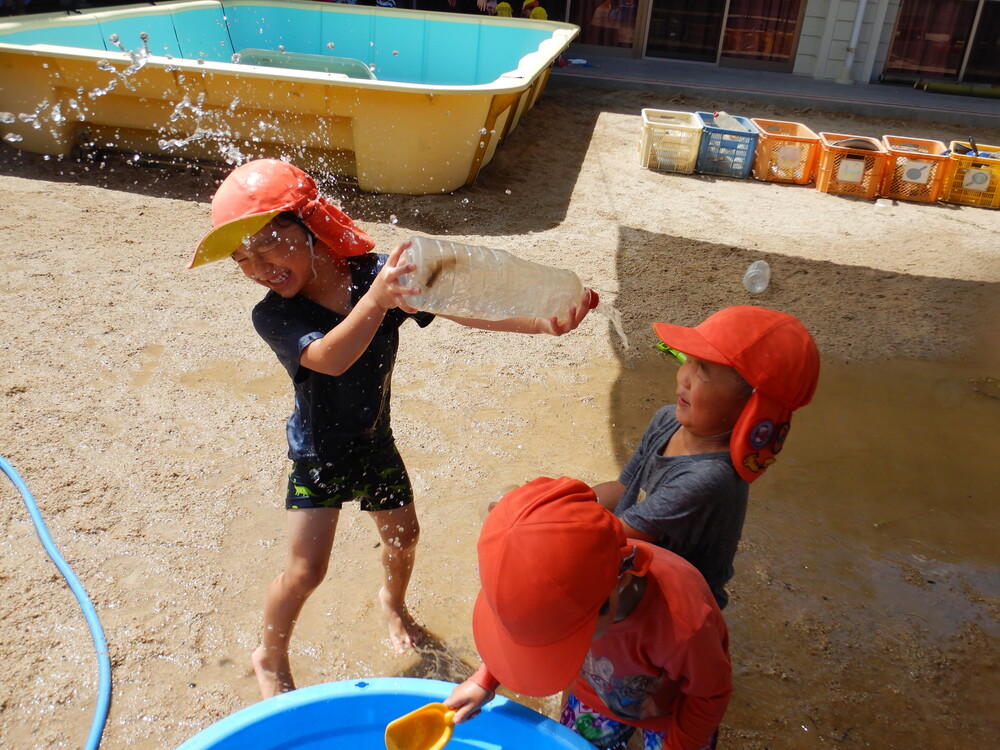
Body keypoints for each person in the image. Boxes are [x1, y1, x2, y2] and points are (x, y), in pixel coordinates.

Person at [187, 159, 591, 699]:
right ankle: (270, 653)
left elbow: (460, 308)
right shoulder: (276, 316)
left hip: (375, 439)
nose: (259, 266)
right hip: (320, 453)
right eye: (243, 258)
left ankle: (392, 603)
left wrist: (540, 323)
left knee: (404, 537)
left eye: (270, 244)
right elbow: (330, 358)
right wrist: (378, 299)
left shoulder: (370, 274)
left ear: (314, 228)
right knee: (307, 571)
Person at [445, 476, 732, 750]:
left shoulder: (684, 623)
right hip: (595, 696)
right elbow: (524, 634)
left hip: (669, 717)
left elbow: (709, 694)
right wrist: (485, 680)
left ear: (619, 583)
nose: (558, 645)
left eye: (567, 639)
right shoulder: (573, 588)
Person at [592, 305, 820, 610]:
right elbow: (623, 489)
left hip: (675, 610)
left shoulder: (708, 479)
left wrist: (538, 523)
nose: (684, 376)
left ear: (752, 406)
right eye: (689, 360)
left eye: (704, 372)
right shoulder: (667, 420)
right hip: (635, 569)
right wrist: (558, 499)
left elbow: (613, 538)